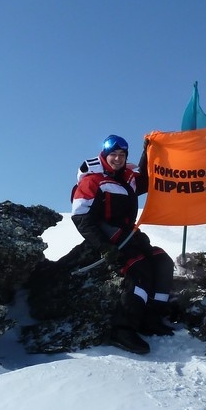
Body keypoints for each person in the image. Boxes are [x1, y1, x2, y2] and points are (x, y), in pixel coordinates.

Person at [70, 134, 175, 355]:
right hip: (110, 238)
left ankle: (152, 316)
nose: (117, 159)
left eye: (122, 155)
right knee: (140, 270)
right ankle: (123, 328)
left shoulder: (127, 177)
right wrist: (103, 247)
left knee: (162, 261)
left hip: (131, 236)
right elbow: (81, 217)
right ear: (105, 154)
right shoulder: (93, 180)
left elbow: (146, 180)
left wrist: (148, 152)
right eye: (113, 154)